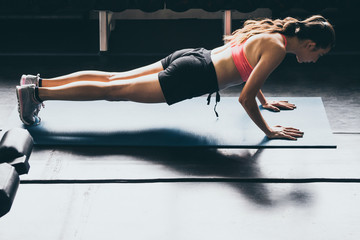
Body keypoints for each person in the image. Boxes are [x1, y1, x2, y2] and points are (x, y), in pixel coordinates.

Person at [16, 15, 335, 140]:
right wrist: (269, 129)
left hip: (194, 56)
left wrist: (267, 101)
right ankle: (37, 96)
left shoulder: (273, 35)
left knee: (113, 79)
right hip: (194, 75)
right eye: (318, 54)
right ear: (310, 44)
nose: (314, 60)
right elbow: (244, 96)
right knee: (114, 91)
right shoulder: (278, 49)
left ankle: (37, 83)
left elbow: (248, 68)